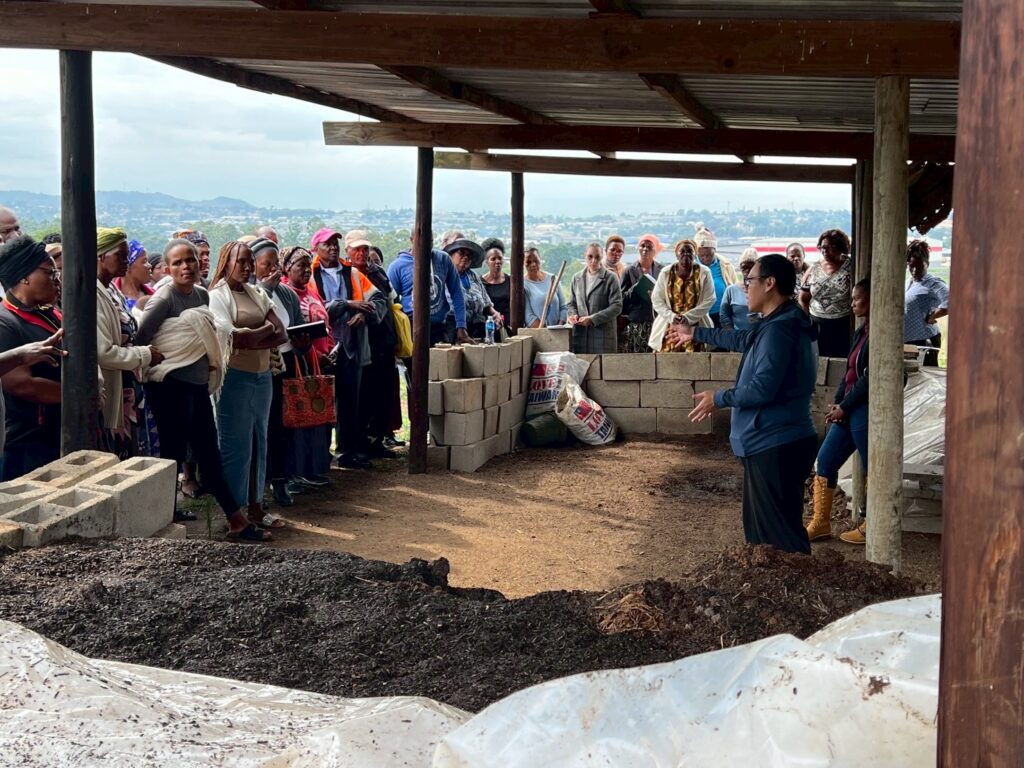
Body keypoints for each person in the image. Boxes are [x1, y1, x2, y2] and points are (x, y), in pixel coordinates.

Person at [672, 253, 819, 555]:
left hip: (775, 442)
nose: (744, 287)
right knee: (772, 535)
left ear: (769, 283)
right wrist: (695, 332)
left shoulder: (780, 329)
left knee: (777, 541)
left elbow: (762, 389)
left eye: (750, 280)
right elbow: (744, 341)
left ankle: (791, 594)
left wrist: (719, 397)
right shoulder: (781, 321)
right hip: (777, 441)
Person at [137, 238, 271, 541]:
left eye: (191, 261)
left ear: (200, 264)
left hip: (197, 385)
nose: (186, 267)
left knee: (209, 453)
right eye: (178, 263)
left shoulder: (201, 295)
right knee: (172, 454)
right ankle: (165, 518)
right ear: (168, 269)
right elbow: (143, 340)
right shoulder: (164, 300)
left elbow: (205, 334)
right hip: (170, 386)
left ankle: (236, 521)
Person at [209, 241, 288, 527]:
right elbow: (236, 337)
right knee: (235, 446)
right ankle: (235, 511)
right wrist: (263, 331)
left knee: (259, 441)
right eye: (239, 261)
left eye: (248, 261)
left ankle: (256, 505)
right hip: (235, 379)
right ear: (225, 263)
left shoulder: (256, 293)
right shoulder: (218, 296)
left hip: (262, 375)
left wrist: (258, 334)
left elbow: (281, 331)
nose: (245, 266)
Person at [806, 278, 872, 544]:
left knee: (872, 469)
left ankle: (871, 524)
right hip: (848, 407)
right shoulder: (861, 330)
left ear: (873, 300)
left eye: (857, 298)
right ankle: (820, 522)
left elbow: (869, 378)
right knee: (825, 460)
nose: (852, 303)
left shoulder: (881, 332)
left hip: (863, 409)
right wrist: (838, 404)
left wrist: (844, 406)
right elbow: (849, 373)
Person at [0, 236, 64, 480]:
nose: (56, 280)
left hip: (55, 432)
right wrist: (79, 397)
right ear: (25, 276)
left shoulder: (51, 312)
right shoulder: (5, 322)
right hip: (28, 443)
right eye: (50, 273)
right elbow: (21, 384)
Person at [251, 237, 308, 507]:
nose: (272, 269)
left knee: (282, 425)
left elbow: (297, 325)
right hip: (258, 367)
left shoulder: (286, 294)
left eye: (276, 264)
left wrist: (302, 343)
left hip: (285, 366)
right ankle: (257, 484)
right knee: (259, 426)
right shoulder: (249, 292)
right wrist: (264, 288)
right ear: (253, 266)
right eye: (266, 264)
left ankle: (281, 480)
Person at [324, 235, 389, 470]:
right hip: (323, 349)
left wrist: (366, 314)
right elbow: (315, 307)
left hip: (352, 346)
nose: (332, 248)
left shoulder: (351, 274)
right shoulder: (311, 274)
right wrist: (348, 304)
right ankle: (322, 457)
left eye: (335, 244)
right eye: (327, 244)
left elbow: (379, 299)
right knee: (323, 404)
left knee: (353, 402)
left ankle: (348, 451)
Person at [95, 227, 161, 459]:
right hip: (115, 389)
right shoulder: (92, 295)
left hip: (129, 386)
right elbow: (103, 353)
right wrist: (145, 354)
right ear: (101, 256)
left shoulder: (111, 288)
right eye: (120, 256)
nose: (126, 261)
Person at [280, 246, 335, 488]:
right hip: (297, 363)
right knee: (298, 415)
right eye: (300, 266)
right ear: (287, 268)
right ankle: (296, 472)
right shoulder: (285, 294)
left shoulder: (311, 293)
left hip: (319, 362)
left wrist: (329, 350)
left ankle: (314, 468)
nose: (305, 271)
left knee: (318, 416)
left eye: (307, 266)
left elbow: (326, 324)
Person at [347, 230, 403, 458]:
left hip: (384, 342)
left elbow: (391, 299)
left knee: (383, 394)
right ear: (348, 251)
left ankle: (378, 439)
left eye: (365, 249)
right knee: (363, 397)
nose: (362, 254)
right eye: (357, 249)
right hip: (362, 344)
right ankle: (360, 444)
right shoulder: (346, 275)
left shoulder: (377, 272)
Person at [387, 236, 470, 346]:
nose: (427, 244)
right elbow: (391, 300)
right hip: (411, 326)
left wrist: (461, 326)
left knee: (442, 361)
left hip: (438, 325)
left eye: (430, 241)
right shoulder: (397, 266)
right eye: (422, 239)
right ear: (412, 240)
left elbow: (457, 293)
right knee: (416, 362)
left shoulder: (443, 259)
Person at [649, 238, 715, 352]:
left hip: (695, 325)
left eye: (690, 252)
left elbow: (710, 299)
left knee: (697, 362)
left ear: (695, 255)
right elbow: (656, 300)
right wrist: (672, 317)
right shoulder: (666, 272)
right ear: (676, 255)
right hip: (670, 325)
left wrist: (688, 317)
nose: (686, 255)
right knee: (667, 363)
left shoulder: (704, 272)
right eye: (682, 252)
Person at [800, 228, 853, 358]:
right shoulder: (814, 269)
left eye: (830, 247)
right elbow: (803, 298)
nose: (825, 251)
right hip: (817, 326)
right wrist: (806, 323)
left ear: (841, 248)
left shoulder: (851, 267)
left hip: (842, 326)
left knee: (840, 362)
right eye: (822, 247)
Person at [567, 242, 623, 354]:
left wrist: (593, 319)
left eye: (597, 257)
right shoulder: (577, 278)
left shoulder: (610, 278)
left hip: (603, 337)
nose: (593, 260)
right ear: (584, 256)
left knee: (604, 370)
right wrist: (572, 315)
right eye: (590, 256)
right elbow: (571, 303)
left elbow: (617, 306)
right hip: (581, 336)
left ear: (602, 256)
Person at [904, 240, 949, 367]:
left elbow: (951, 302)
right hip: (909, 341)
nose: (915, 270)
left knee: (925, 379)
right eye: (911, 266)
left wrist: (932, 317)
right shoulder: (908, 282)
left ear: (927, 264)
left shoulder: (933, 283)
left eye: (919, 266)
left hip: (925, 341)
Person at [446, 238, 500, 340]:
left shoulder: (473, 276)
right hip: (452, 328)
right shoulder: (445, 275)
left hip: (476, 327)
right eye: (461, 253)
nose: (465, 257)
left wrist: (495, 314)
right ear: (451, 255)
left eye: (468, 255)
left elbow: (486, 303)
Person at [619, 234, 665, 353]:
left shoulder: (662, 271)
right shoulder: (629, 271)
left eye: (649, 247)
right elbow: (622, 300)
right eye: (642, 246)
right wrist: (636, 288)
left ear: (656, 250)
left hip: (657, 322)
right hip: (637, 324)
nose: (645, 249)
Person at [693, 225, 738, 328]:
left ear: (715, 250)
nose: (705, 258)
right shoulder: (691, 267)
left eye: (709, 254)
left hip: (723, 316)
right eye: (701, 255)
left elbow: (734, 289)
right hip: (700, 317)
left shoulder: (725, 265)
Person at [524, 247, 567, 327]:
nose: (533, 264)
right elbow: (528, 316)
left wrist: (559, 326)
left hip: (558, 331)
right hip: (539, 333)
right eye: (528, 262)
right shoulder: (523, 285)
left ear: (540, 260)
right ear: (523, 263)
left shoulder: (553, 279)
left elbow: (563, 307)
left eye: (536, 261)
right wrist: (545, 331)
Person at [719, 249, 758, 331]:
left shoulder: (764, 290)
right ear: (740, 268)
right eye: (744, 268)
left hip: (760, 336)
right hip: (737, 337)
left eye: (751, 268)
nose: (747, 271)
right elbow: (724, 315)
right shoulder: (731, 290)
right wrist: (732, 334)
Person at [114, 239, 155, 312]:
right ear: (128, 266)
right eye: (144, 261)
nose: (149, 265)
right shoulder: (114, 301)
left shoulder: (155, 295)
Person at [480, 237, 513, 322]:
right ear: (486, 261)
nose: (497, 261)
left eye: (500, 258)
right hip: (487, 327)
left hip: (508, 328)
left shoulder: (511, 281)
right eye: (493, 259)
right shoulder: (480, 283)